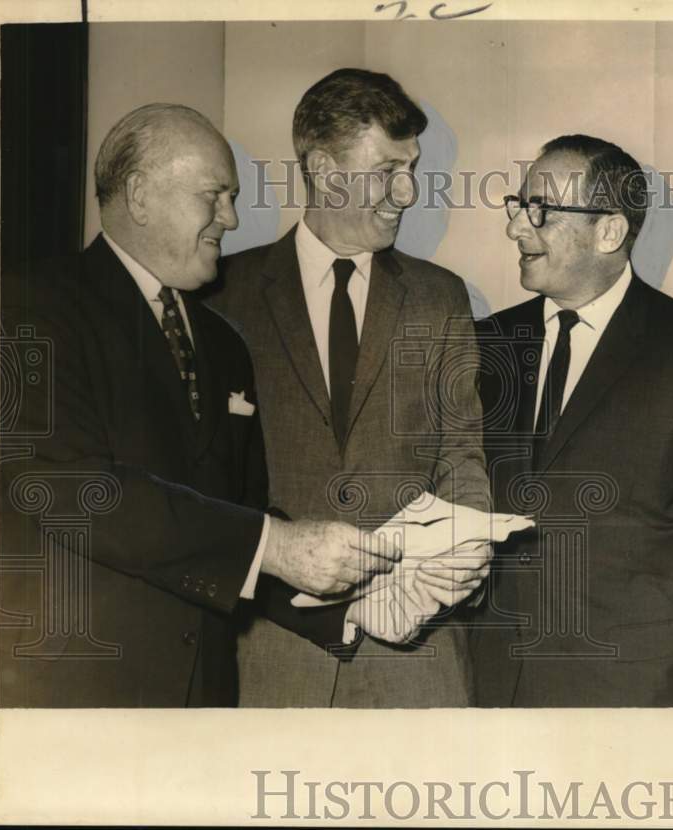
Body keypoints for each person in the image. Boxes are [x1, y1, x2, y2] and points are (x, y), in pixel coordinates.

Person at [0, 103, 403, 708]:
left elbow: (237, 517)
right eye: (214, 195)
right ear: (139, 196)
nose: (232, 218)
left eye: (233, 197)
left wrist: (349, 608)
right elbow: (75, 490)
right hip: (79, 693)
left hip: (205, 700)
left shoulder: (223, 343)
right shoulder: (28, 307)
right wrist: (277, 546)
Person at [210, 68, 490, 708]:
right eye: (388, 168)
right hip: (267, 663)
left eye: (412, 168)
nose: (407, 191)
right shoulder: (222, 297)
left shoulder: (440, 298)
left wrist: (468, 545)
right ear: (326, 171)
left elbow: (461, 455)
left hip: (417, 665)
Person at [472, 135, 673, 707]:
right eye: (518, 206)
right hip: (490, 686)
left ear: (609, 232)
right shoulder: (484, 343)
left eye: (540, 211)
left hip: (629, 693)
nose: (516, 228)